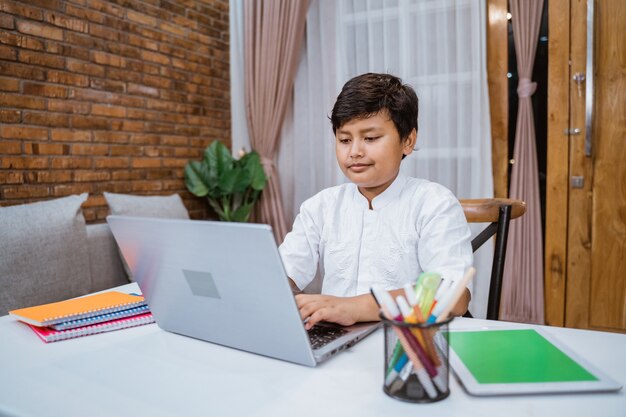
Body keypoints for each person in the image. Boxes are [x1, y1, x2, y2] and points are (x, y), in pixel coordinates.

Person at [279, 73, 473, 330]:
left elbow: (454, 296)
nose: (355, 151)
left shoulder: (433, 203)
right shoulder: (321, 207)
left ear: (408, 141)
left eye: (370, 138)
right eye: (344, 139)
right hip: (336, 339)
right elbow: (282, 276)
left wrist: (354, 307)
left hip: (408, 345)